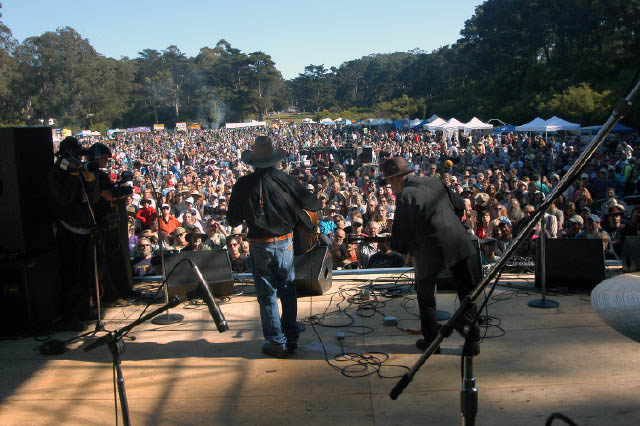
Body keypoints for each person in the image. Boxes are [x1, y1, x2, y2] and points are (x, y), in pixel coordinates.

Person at [227, 135, 321, 358]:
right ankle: (291, 337)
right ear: (274, 160)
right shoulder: (285, 180)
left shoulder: (243, 185)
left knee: (267, 295)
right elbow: (311, 203)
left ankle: (277, 343)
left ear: (253, 162)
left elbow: (232, 220)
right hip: (286, 243)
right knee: (288, 290)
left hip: (260, 246)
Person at [381, 157, 481, 353]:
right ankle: (473, 340)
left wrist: (391, 244)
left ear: (395, 179)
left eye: (389, 182)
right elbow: (459, 206)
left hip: (431, 248)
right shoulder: (434, 181)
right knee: (466, 292)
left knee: (425, 295)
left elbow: (401, 236)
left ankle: (432, 342)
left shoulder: (405, 196)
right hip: (459, 240)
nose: (390, 188)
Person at [49, 137, 101, 332]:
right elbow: (64, 199)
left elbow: (93, 199)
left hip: (86, 228)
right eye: (76, 155)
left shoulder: (80, 172)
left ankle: (83, 309)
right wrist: (71, 176)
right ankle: (68, 315)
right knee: (70, 274)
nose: (79, 159)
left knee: (85, 273)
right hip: (67, 229)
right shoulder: (57, 174)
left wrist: (91, 181)